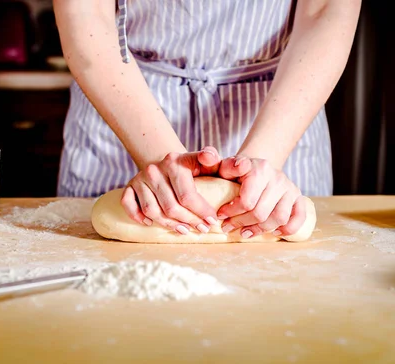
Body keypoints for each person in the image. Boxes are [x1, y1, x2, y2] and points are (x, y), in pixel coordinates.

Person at [53, 0, 361, 239]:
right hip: (124, 105)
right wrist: (161, 160)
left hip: (282, 109)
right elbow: (87, 12)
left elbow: (324, 11)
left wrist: (263, 163)